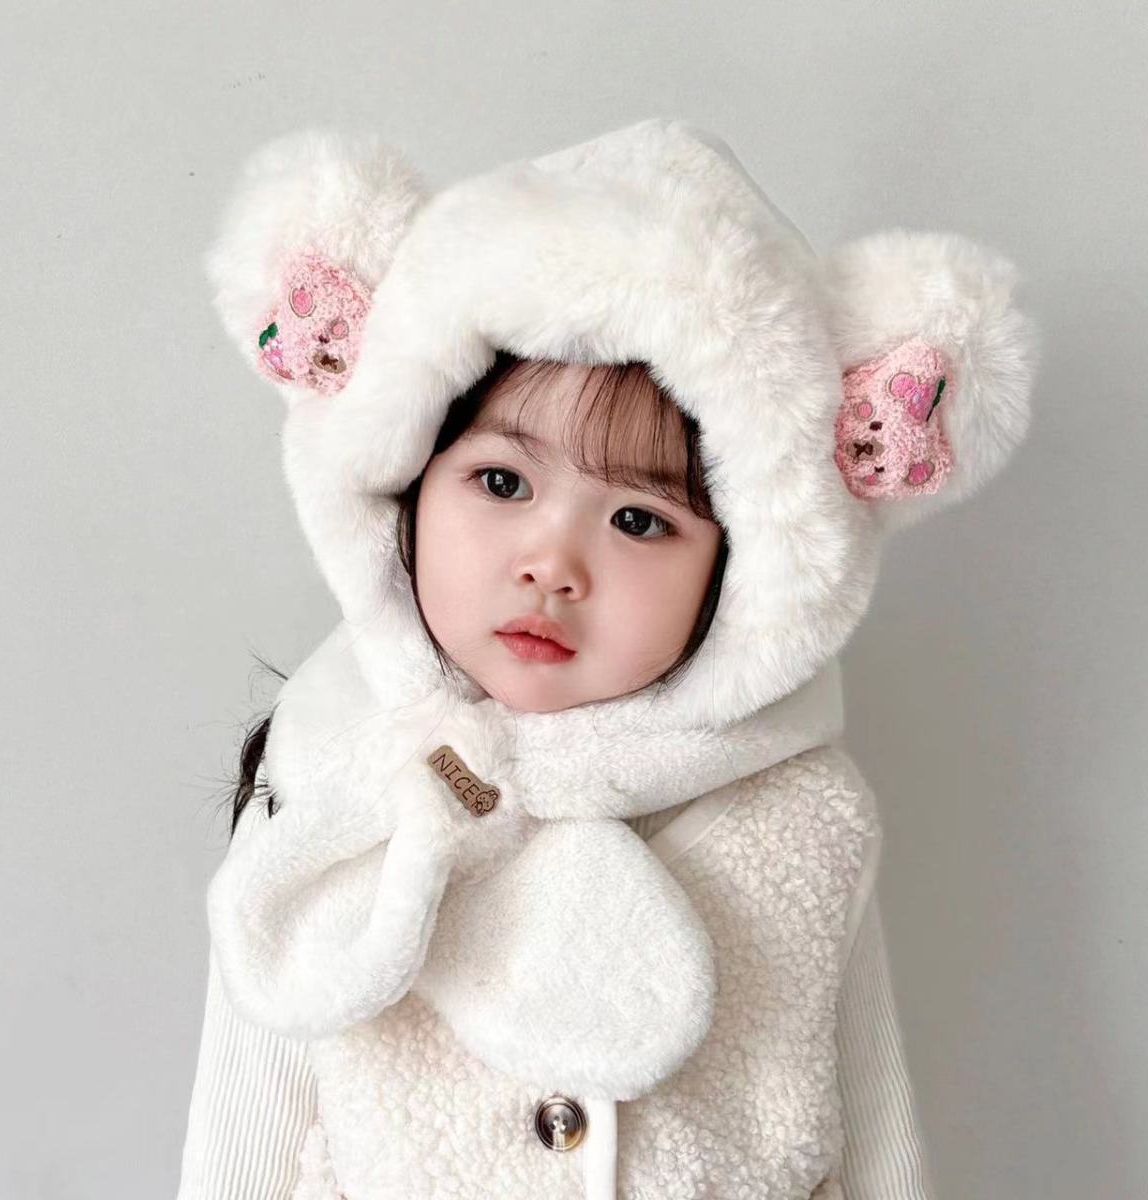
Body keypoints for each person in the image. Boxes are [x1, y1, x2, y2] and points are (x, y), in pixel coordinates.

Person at [176, 118, 1038, 1199]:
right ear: (407, 483)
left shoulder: (804, 814)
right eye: (501, 483)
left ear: (742, 580)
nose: (553, 564)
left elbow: (873, 1135)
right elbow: (242, 1139)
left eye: (639, 521)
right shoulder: (332, 768)